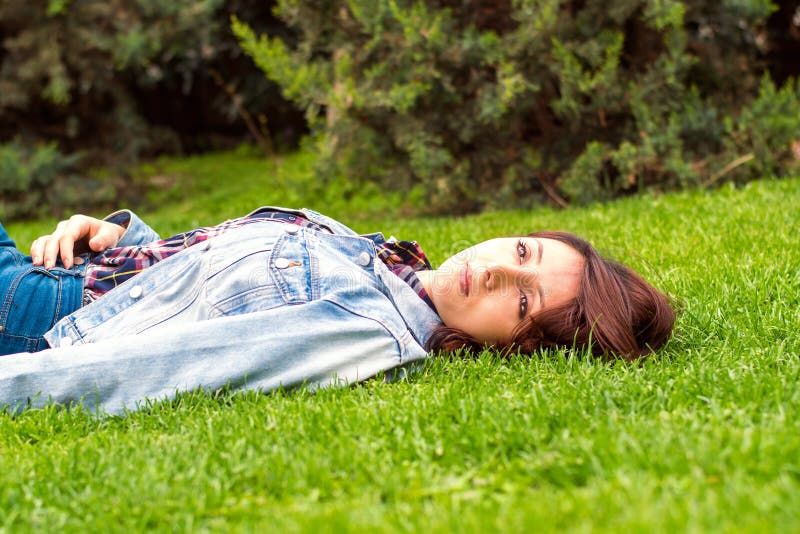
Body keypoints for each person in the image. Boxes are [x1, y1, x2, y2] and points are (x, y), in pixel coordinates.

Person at [0, 206, 674, 414]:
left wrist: (17, 384)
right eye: (524, 250)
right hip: (68, 269)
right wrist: (121, 236)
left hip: (31, 316)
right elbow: (205, 276)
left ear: (517, 346)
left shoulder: (366, 326)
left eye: (521, 299)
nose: (496, 268)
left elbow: (177, 361)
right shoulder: (389, 265)